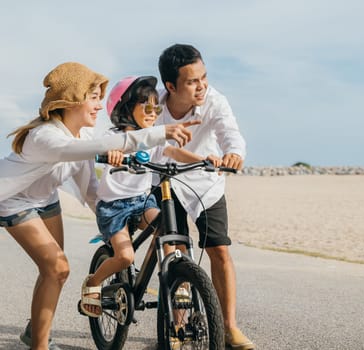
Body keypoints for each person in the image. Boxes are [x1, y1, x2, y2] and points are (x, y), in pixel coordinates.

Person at [0, 62, 198, 350]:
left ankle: (35, 331)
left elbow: (90, 189)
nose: (98, 105)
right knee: (57, 268)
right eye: (93, 97)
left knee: (55, 272)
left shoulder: (82, 136)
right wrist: (160, 132)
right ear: (72, 100)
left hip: (47, 200)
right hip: (14, 201)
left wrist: (111, 222)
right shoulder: (45, 137)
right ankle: (39, 346)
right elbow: (102, 147)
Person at [80, 75, 221, 318]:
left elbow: (172, 151)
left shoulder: (153, 137)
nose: (153, 112)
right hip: (113, 207)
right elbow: (109, 146)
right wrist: (113, 154)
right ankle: (93, 281)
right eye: (147, 106)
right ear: (126, 107)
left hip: (141, 202)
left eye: (157, 107)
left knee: (167, 229)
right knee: (124, 256)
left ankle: (178, 280)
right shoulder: (115, 137)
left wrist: (203, 159)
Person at [152, 44, 255, 350]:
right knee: (174, 254)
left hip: (206, 181)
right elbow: (158, 148)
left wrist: (233, 154)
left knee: (219, 250)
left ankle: (229, 327)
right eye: (192, 81)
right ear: (170, 86)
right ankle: (177, 326)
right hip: (166, 180)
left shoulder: (214, 101)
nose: (202, 85)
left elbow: (229, 132)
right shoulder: (153, 107)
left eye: (204, 77)